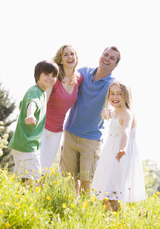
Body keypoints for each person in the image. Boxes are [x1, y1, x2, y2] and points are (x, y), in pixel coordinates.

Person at [60, 46, 121, 194]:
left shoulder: (112, 84)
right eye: (105, 55)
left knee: (87, 182)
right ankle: (70, 213)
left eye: (112, 58)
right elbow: (65, 83)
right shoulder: (83, 73)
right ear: (100, 55)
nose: (107, 59)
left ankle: (85, 213)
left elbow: (116, 102)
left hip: (91, 140)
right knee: (68, 180)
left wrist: (109, 111)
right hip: (70, 133)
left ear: (116, 65)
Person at [91, 81, 146, 211]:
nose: (115, 97)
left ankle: (119, 218)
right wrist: (105, 114)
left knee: (112, 191)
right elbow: (107, 114)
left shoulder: (127, 114)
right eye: (112, 94)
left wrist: (123, 148)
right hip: (110, 153)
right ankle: (109, 219)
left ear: (126, 96)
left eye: (119, 94)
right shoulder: (115, 112)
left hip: (120, 154)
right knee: (104, 191)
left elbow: (125, 131)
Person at [9, 60, 59, 183]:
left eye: (53, 75)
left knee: (24, 177)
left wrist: (25, 111)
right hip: (26, 144)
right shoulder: (35, 91)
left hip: (25, 143)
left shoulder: (41, 93)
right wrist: (30, 114)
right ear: (37, 76)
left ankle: (18, 199)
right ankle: (26, 200)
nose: (50, 78)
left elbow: (22, 105)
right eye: (46, 74)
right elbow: (32, 104)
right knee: (33, 179)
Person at [40, 45, 83, 174]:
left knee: (46, 167)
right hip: (42, 126)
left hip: (57, 129)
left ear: (76, 57)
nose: (70, 57)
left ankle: (37, 193)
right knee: (35, 163)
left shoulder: (79, 79)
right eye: (65, 55)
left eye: (72, 54)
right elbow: (44, 99)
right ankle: (24, 192)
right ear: (61, 60)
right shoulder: (54, 77)